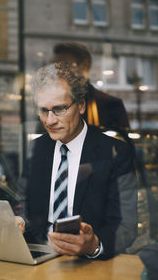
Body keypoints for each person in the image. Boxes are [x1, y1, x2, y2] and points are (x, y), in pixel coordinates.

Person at [17, 62, 138, 259]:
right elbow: (23, 202)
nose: (49, 121)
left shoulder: (116, 152)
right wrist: (18, 219)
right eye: (43, 110)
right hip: (39, 259)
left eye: (59, 109)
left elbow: (127, 227)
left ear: (81, 105)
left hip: (90, 265)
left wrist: (94, 246)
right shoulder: (37, 148)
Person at [53, 42, 130, 130]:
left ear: (84, 66)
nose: (57, 72)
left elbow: (120, 141)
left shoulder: (110, 105)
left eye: (64, 65)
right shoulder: (49, 104)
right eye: (55, 66)